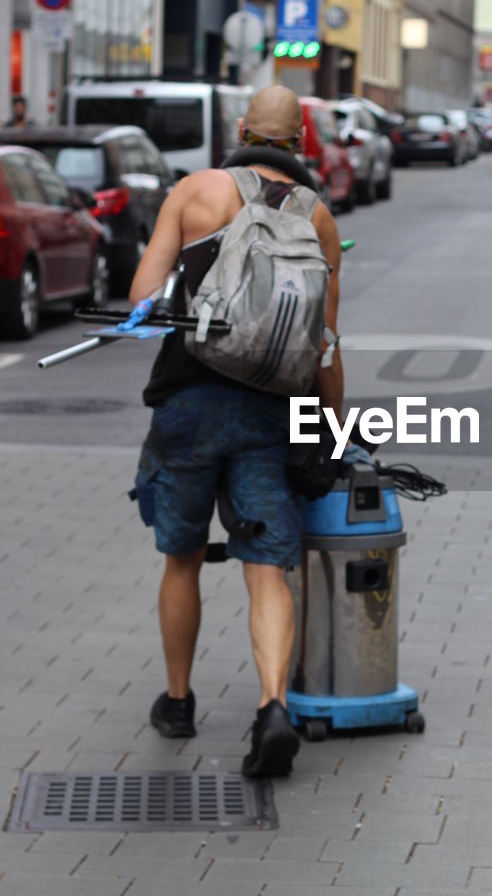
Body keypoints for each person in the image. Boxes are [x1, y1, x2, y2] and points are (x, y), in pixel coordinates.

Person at [129, 85, 343, 777]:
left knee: (183, 555)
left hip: (188, 402)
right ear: (301, 137)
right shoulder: (319, 216)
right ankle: (272, 705)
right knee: (265, 565)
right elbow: (327, 342)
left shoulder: (195, 190)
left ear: (242, 127)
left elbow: (142, 299)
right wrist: (330, 428)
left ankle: (178, 700)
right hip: (270, 411)